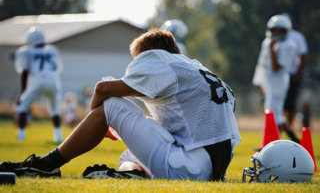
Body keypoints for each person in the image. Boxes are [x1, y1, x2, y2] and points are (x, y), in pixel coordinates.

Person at [0, 28, 241, 181]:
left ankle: (45, 165)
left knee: (112, 104)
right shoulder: (196, 67)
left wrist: (100, 118)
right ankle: (132, 175)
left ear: (148, 53)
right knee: (129, 154)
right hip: (209, 166)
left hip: (190, 167)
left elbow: (103, 90)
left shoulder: (158, 58)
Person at [252, 15, 300, 143]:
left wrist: (273, 50)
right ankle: (295, 140)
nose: (277, 33)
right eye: (275, 30)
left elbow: (276, 68)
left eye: (280, 31)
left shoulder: (289, 46)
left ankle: (274, 143)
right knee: (275, 115)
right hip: (270, 84)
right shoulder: (267, 42)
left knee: (273, 116)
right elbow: (264, 67)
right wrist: (263, 85)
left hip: (279, 84)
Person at [14, 26, 63, 142]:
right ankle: (58, 136)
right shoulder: (52, 50)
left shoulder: (26, 51)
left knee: (22, 106)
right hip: (53, 81)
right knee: (55, 109)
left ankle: (21, 135)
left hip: (37, 81)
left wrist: (23, 91)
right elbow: (57, 67)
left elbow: (24, 72)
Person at [281, 13, 308, 126]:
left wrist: (298, 73)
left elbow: (303, 56)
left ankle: (289, 126)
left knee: (290, 104)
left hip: (292, 74)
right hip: (278, 75)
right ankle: (278, 127)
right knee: (278, 104)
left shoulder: (297, 37)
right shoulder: (275, 37)